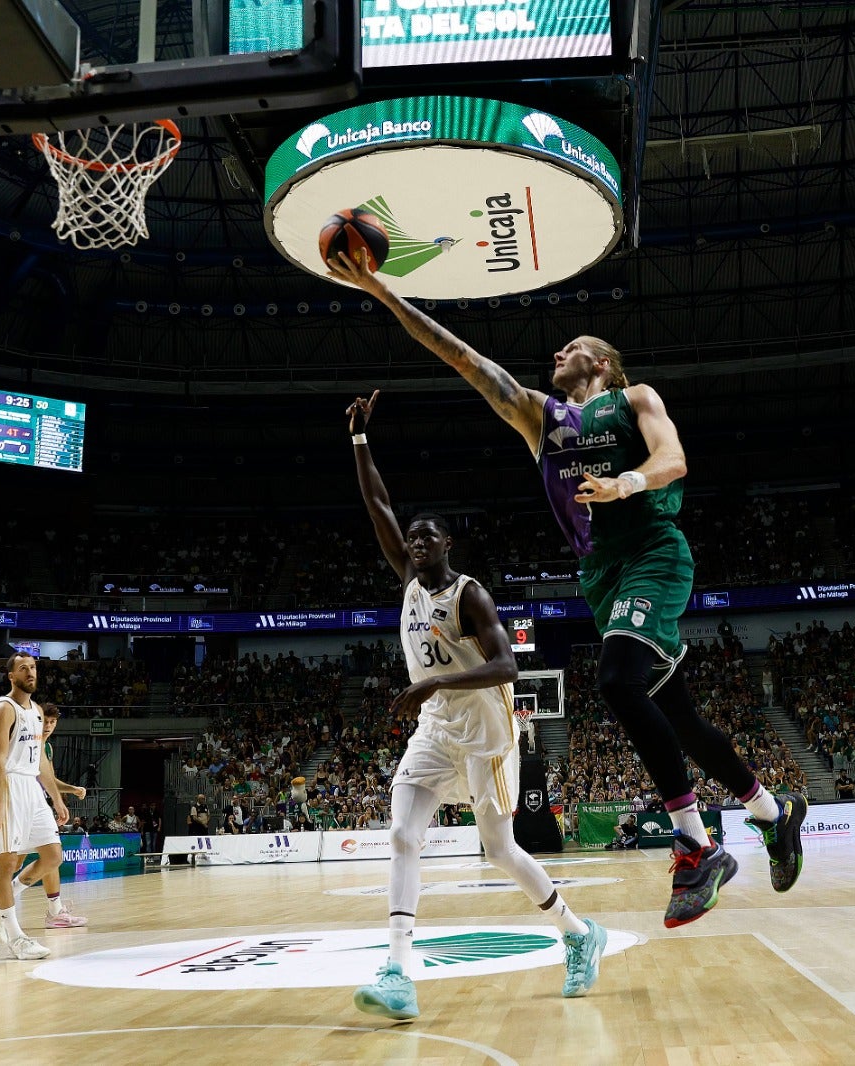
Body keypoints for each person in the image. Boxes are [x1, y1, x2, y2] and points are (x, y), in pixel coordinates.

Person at [331, 254, 806, 924]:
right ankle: (771, 810)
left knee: (616, 680)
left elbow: (674, 459)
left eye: (576, 345)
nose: (560, 349)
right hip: (602, 576)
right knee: (683, 720)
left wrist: (625, 483)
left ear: (604, 366)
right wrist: (380, 290)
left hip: (652, 553)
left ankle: (696, 846)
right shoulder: (538, 419)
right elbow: (461, 356)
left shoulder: (633, 400)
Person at [345, 392, 607, 1020]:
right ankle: (398, 972)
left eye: (426, 535)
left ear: (447, 544)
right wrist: (359, 441)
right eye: (410, 537)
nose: (413, 541)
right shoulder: (407, 583)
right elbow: (378, 504)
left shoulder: (470, 596)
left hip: (488, 733)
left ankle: (577, 932)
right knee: (403, 835)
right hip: (436, 730)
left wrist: (434, 684)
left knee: (499, 849)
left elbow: (508, 666)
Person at [0, 703, 88, 932]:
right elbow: (3, 765)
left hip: (35, 801)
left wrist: (64, 794)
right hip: (15, 799)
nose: (49, 725)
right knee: (12, 862)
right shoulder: (21, 736)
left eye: (53, 722)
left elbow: (46, 777)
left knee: (50, 854)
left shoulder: (45, 747)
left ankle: (53, 910)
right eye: (45, 721)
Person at [0, 653, 62, 959]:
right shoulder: (3, 709)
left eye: (33, 668)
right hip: (7, 785)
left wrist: (57, 798)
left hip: (31, 789)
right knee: (7, 861)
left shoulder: (36, 710)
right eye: (23, 669)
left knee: (52, 855)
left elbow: (42, 762)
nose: (30, 672)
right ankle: (15, 938)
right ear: (12, 676)